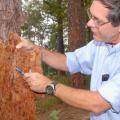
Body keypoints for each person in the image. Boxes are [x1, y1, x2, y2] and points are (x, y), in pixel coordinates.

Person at [16, 0, 120, 119]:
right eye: (91, 16)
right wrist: (35, 49)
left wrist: (50, 86)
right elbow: (68, 61)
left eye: (98, 20)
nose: (89, 23)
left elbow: (98, 103)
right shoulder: (99, 44)